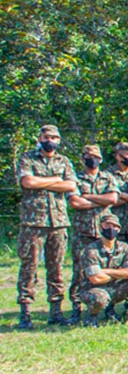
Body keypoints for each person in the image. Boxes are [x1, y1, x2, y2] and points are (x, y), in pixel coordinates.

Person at [15, 124, 77, 329]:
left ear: (59, 140)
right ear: (40, 138)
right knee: (29, 266)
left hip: (58, 222)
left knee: (56, 267)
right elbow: (27, 182)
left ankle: (56, 311)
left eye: (55, 137)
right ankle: (25, 313)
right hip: (33, 221)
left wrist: (43, 181)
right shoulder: (27, 158)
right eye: (47, 136)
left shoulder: (64, 161)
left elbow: (70, 185)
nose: (50, 140)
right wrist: (54, 180)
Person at [67, 143, 119, 326]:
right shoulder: (75, 178)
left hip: (105, 233)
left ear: (101, 159)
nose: (93, 159)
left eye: (96, 157)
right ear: (82, 159)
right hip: (83, 233)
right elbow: (75, 203)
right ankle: (76, 309)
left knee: (108, 270)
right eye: (89, 156)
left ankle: (109, 307)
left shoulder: (108, 177)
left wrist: (88, 196)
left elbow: (113, 199)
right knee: (80, 272)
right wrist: (100, 200)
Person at [79, 212, 128, 325]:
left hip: (117, 288)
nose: (111, 228)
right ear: (101, 227)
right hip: (93, 289)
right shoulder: (91, 250)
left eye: (115, 226)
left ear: (119, 229)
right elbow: (95, 279)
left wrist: (105, 271)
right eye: (107, 225)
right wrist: (120, 273)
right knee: (100, 298)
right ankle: (92, 317)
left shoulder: (124, 248)